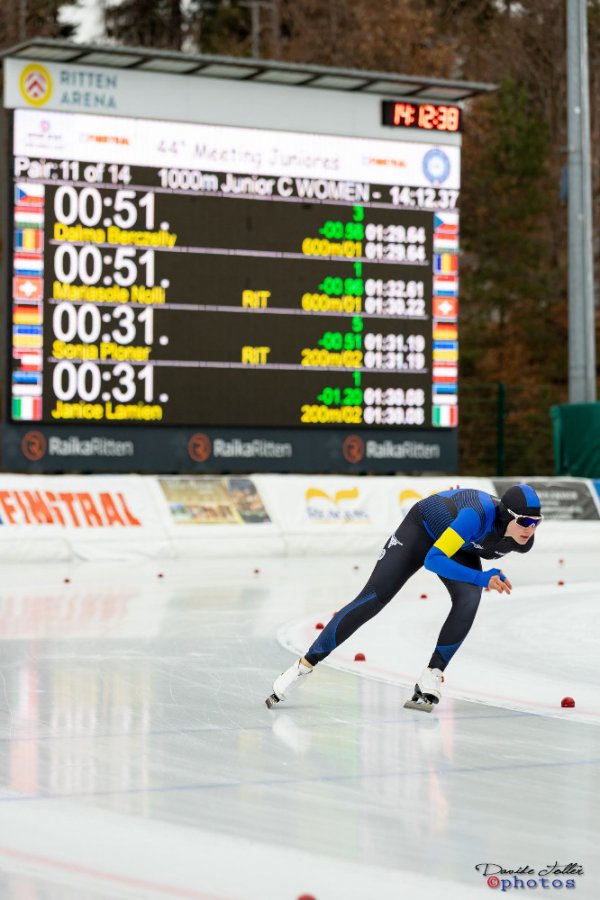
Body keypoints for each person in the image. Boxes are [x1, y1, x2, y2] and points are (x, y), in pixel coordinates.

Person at [265, 483, 542, 712]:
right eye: (525, 521)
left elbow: (463, 548)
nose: (530, 529)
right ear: (506, 515)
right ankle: (303, 667)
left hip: (459, 543)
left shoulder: (522, 541)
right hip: (422, 529)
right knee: (374, 598)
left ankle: (431, 676)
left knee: (469, 597)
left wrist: (479, 579)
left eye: (536, 522)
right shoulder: (475, 516)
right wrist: (482, 577)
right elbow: (433, 559)